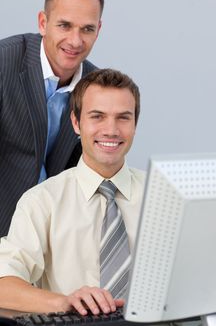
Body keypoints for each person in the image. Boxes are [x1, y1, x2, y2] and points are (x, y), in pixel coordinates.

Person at [0, 68, 145, 316]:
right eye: (97, 116)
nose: (111, 130)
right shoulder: (42, 201)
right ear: (76, 123)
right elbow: (3, 285)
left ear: (135, 124)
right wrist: (64, 303)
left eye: (123, 117)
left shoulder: (163, 196)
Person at [0, 0, 104, 237]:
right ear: (43, 23)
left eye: (87, 29)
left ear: (98, 30)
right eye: (65, 25)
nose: (75, 40)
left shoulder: (95, 87)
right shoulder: (4, 62)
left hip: (55, 234)